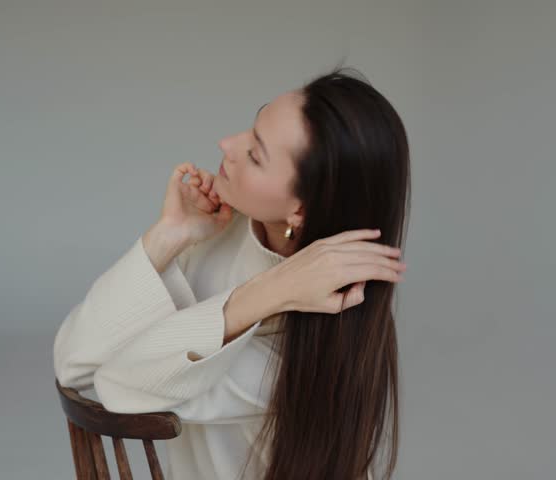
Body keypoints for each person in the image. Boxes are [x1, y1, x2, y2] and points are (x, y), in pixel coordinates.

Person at [54, 65, 410, 480]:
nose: (226, 144)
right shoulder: (223, 231)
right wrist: (169, 236)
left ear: (301, 209)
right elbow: (72, 364)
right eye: (252, 127)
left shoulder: (308, 338)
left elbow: (116, 385)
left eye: (255, 155)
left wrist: (267, 293)